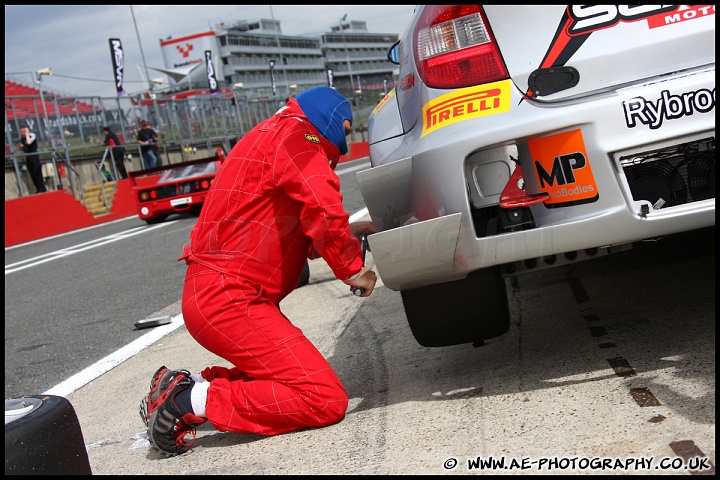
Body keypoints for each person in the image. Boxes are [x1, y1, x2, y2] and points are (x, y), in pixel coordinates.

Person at [139, 86, 378, 456]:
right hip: (230, 299)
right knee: (322, 398)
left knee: (282, 376)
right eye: (344, 131)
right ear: (330, 119)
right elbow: (323, 206)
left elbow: (303, 226)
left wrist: (355, 232)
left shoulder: (269, 135)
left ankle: (186, 384)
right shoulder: (300, 136)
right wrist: (353, 269)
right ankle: (188, 402)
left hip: (220, 292)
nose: (341, 146)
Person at [17, 125, 46, 194]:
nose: (22, 133)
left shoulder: (31, 135)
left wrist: (27, 133)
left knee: (37, 172)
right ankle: (38, 188)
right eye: (21, 132)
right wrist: (21, 147)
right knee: (32, 173)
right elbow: (21, 148)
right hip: (28, 156)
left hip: (34, 156)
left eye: (23, 131)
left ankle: (42, 188)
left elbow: (29, 142)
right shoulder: (23, 139)